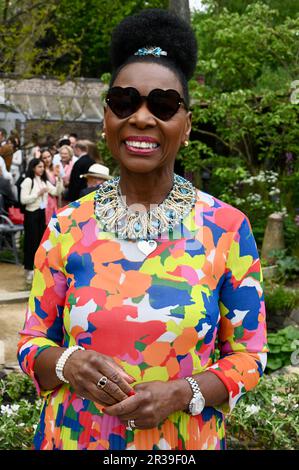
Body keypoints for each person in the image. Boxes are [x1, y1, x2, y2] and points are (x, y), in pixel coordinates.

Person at [17, 9, 268, 450]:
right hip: (75, 438)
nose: (142, 117)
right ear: (107, 119)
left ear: (186, 125)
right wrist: (67, 364)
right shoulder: (66, 225)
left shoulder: (227, 228)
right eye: (124, 102)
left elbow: (250, 357)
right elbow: (32, 343)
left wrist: (182, 393)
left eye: (164, 105)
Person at [20, 158, 63, 284]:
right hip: (31, 213)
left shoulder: (44, 180)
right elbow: (23, 200)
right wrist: (37, 194)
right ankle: (28, 269)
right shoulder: (28, 181)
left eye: (42, 167)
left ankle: (38, 268)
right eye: (39, 167)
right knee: (31, 241)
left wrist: (58, 179)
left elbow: (56, 191)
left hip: (41, 213)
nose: (41, 169)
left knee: (40, 240)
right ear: (33, 167)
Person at [40, 148, 61, 224]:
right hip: (47, 198)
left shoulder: (54, 168)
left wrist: (58, 176)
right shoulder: (42, 171)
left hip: (56, 198)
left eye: (49, 156)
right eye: (44, 158)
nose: (47, 159)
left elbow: (60, 185)